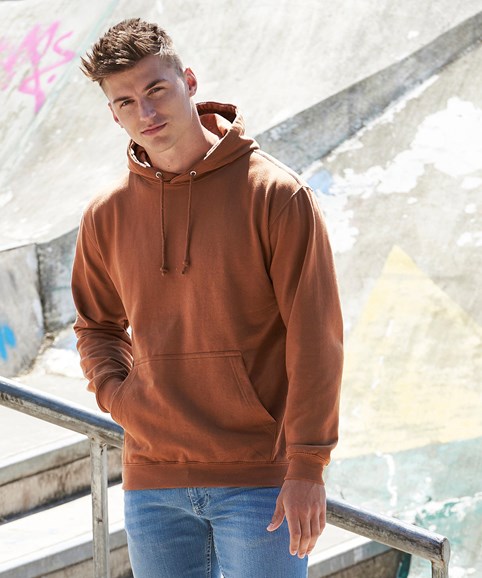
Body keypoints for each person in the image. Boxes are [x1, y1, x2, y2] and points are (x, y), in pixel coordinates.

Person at [72, 17, 343, 578]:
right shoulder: (106, 214)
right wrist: (120, 398)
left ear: (189, 81)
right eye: (126, 102)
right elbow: (96, 325)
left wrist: (308, 464)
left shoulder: (275, 195)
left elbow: (316, 338)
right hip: (153, 481)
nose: (146, 112)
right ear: (113, 114)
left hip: (258, 481)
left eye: (156, 89)